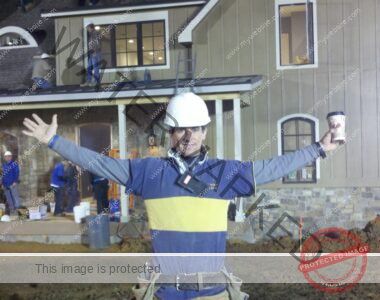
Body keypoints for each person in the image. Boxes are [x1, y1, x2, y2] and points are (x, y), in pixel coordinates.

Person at [22, 92, 340, 299]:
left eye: (195, 129)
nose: (189, 137)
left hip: (214, 291)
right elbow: (100, 163)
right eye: (180, 130)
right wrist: (55, 141)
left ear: (205, 131)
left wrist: (318, 149)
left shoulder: (224, 173)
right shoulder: (148, 172)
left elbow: (273, 167)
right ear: (170, 133)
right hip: (165, 293)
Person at [80, 21, 101, 87]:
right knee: (89, 67)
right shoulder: (92, 33)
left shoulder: (95, 33)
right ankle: (88, 81)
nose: (87, 29)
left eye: (87, 27)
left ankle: (96, 82)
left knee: (95, 67)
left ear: (89, 27)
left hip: (95, 52)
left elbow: (96, 43)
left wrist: (94, 51)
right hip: (92, 53)